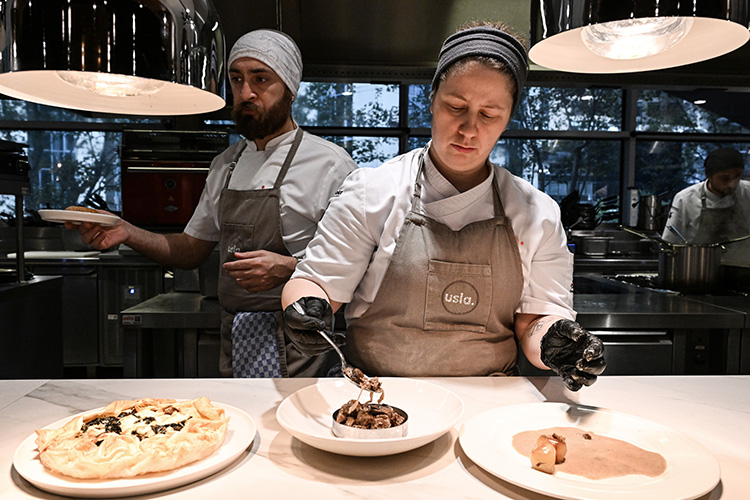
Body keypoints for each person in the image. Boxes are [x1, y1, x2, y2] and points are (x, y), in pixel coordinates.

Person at [280, 21, 605, 391]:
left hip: (488, 405)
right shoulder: (372, 191)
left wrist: (555, 342)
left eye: (489, 114)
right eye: (456, 106)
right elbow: (317, 282)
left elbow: (536, 320)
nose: (469, 129)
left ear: (508, 118)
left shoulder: (537, 213)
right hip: (377, 399)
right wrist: (305, 306)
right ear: (432, 98)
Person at [69, 29, 357, 378]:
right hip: (237, 337)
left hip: (306, 340)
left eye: (260, 79)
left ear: (290, 89)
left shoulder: (330, 164)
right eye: (237, 80)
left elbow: (360, 262)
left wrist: (288, 267)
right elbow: (190, 249)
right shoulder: (226, 164)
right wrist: (125, 231)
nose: (246, 93)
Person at [662, 147, 750, 265]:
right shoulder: (685, 199)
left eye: (737, 176)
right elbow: (669, 244)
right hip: (699, 271)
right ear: (708, 175)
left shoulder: (747, 192)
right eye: (725, 178)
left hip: (743, 272)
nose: (732, 183)